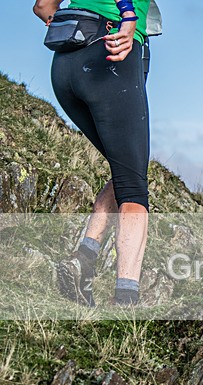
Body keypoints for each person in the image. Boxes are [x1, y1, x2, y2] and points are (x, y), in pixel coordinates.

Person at [34, 0, 151, 306]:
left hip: (65, 64)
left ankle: (83, 259)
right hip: (110, 52)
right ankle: (126, 301)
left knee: (125, 170)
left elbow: (43, 5)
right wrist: (128, 19)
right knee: (134, 189)